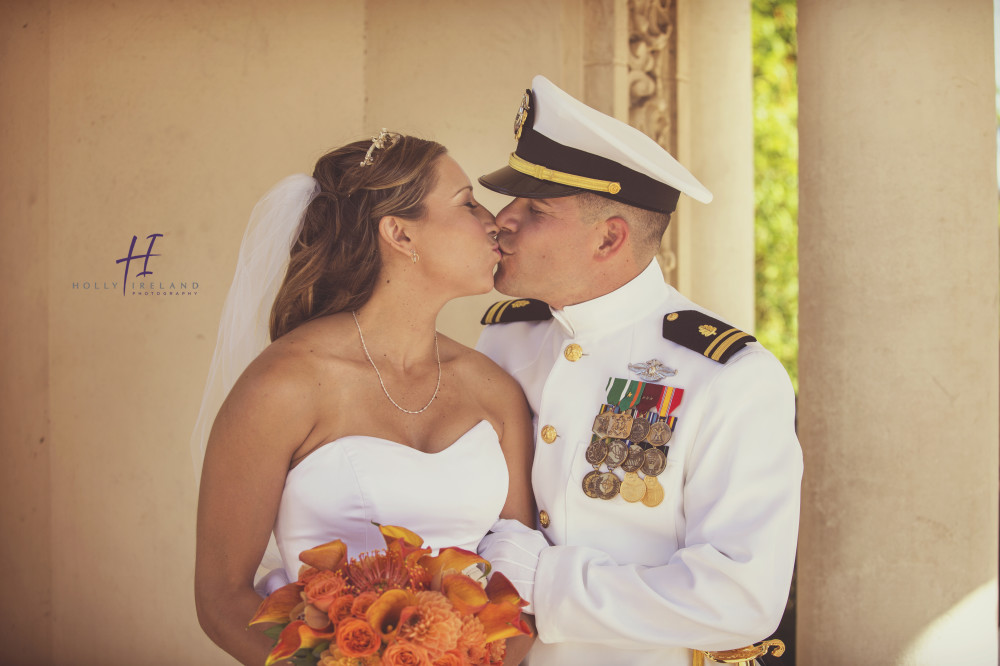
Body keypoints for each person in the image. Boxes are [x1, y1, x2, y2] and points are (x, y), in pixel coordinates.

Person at [473, 75, 803, 666]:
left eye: (535, 209)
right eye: (511, 200)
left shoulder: (728, 376)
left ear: (609, 239)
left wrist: (547, 583)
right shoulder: (506, 334)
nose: (502, 220)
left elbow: (741, 597)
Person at [193, 133, 539, 665]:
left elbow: (520, 582)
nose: (492, 220)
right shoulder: (285, 385)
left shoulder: (493, 389)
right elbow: (221, 597)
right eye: (467, 203)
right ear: (399, 233)